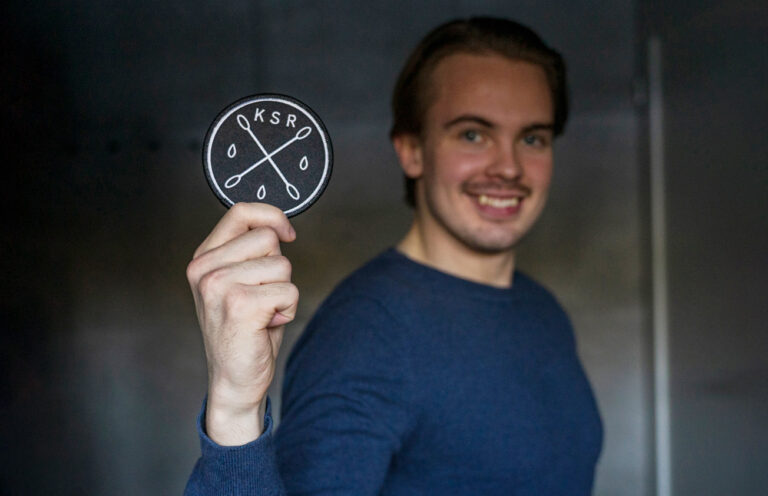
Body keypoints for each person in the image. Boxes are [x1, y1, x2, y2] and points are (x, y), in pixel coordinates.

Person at [185, 17, 602, 495]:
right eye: (472, 134)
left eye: (532, 138)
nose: (508, 167)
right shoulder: (366, 333)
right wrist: (234, 414)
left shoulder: (542, 310)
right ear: (412, 151)